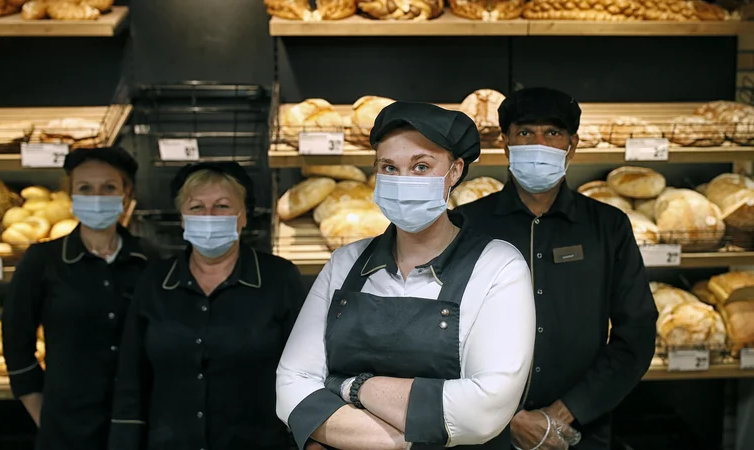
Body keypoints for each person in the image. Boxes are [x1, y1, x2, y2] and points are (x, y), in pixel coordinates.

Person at [276, 102, 537, 450]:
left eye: (421, 167)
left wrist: (349, 386)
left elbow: (484, 408)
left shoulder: (497, 266)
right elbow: (292, 384)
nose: (403, 182)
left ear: (455, 171)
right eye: (389, 167)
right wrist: (403, 441)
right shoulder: (345, 262)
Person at [457, 87, 658, 450]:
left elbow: (637, 333)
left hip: (578, 434)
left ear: (572, 145)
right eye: (524, 133)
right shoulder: (467, 226)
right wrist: (508, 420)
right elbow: (441, 333)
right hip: (484, 434)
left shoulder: (607, 227)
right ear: (505, 144)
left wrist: (562, 414)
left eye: (552, 133)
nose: (539, 143)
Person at [108, 162, 307, 450]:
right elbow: (131, 378)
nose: (209, 216)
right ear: (182, 219)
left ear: (243, 217)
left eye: (222, 206)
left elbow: (302, 372)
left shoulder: (279, 279)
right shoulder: (154, 281)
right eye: (197, 207)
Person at [2, 146, 153, 450]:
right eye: (85, 188)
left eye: (109, 187)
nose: (97, 197)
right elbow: (17, 343)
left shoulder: (150, 260)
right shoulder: (42, 261)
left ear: (126, 194)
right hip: (67, 429)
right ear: (70, 195)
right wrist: (45, 415)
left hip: (143, 423)